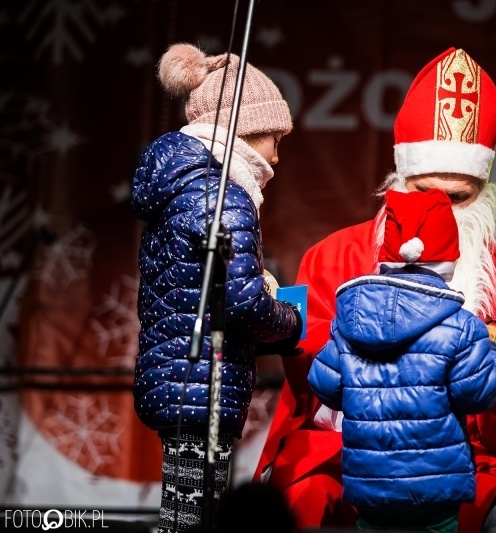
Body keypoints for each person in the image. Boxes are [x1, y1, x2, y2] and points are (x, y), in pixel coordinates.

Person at [254, 47, 496, 533]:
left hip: (465, 453)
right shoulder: (331, 255)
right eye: (424, 193)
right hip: (350, 443)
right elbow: (307, 363)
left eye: (457, 197)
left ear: (483, 191)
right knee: (304, 496)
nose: (438, 210)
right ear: (399, 182)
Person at [131, 43, 303, 533]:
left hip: (181, 377)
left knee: (186, 514)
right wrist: (290, 318)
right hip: (201, 382)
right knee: (193, 520)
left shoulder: (187, 184)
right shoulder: (222, 193)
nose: (277, 152)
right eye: (274, 136)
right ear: (246, 131)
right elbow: (244, 302)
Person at [308, 187, 496, 532]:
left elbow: (325, 385)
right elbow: (475, 394)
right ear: (448, 260)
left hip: (369, 483)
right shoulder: (461, 325)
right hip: (435, 488)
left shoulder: (350, 320)